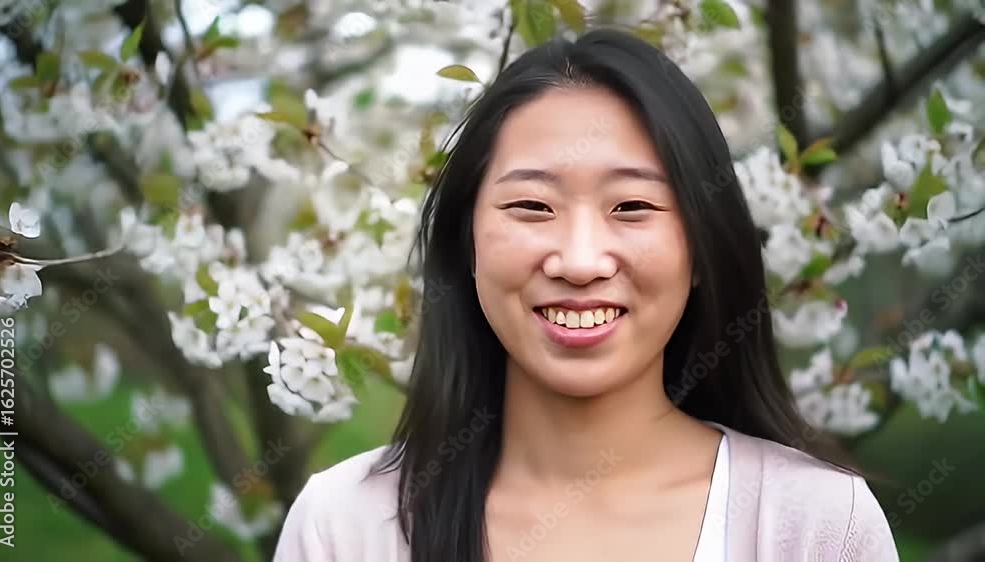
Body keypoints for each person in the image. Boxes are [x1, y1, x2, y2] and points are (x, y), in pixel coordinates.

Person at [273, 27, 898, 562]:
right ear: (467, 244)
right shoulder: (346, 527)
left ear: (702, 247)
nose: (579, 262)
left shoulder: (817, 525)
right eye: (531, 206)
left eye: (632, 207)